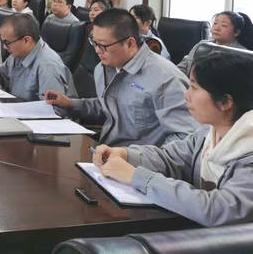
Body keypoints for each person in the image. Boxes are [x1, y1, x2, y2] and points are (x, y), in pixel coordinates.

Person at [93, 43, 253, 227]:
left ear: (225, 102)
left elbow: (217, 210)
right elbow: (169, 158)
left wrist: (136, 176)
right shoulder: (208, 133)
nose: (186, 95)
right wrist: (126, 154)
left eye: (194, 88)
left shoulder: (248, 154)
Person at [46, 8, 198, 146]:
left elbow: (184, 139)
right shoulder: (110, 66)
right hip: (107, 153)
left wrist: (135, 157)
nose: (97, 51)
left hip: (137, 162)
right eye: (94, 43)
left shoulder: (165, 79)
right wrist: (70, 104)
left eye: (103, 45)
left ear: (130, 43)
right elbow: (110, 107)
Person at [0, 13, 75, 101]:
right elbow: (0, 75)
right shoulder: (17, 55)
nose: (4, 47)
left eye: (7, 43)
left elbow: (54, 110)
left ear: (26, 40)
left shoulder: (48, 66)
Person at [176, 11, 251, 76]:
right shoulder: (202, 45)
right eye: (215, 23)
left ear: (236, 32)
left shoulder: (242, 55)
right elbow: (183, 66)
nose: (216, 28)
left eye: (224, 25)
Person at [75, 0, 114, 98]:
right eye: (90, 10)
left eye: (96, 10)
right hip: (83, 71)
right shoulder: (86, 27)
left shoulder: (111, 32)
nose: (92, 13)